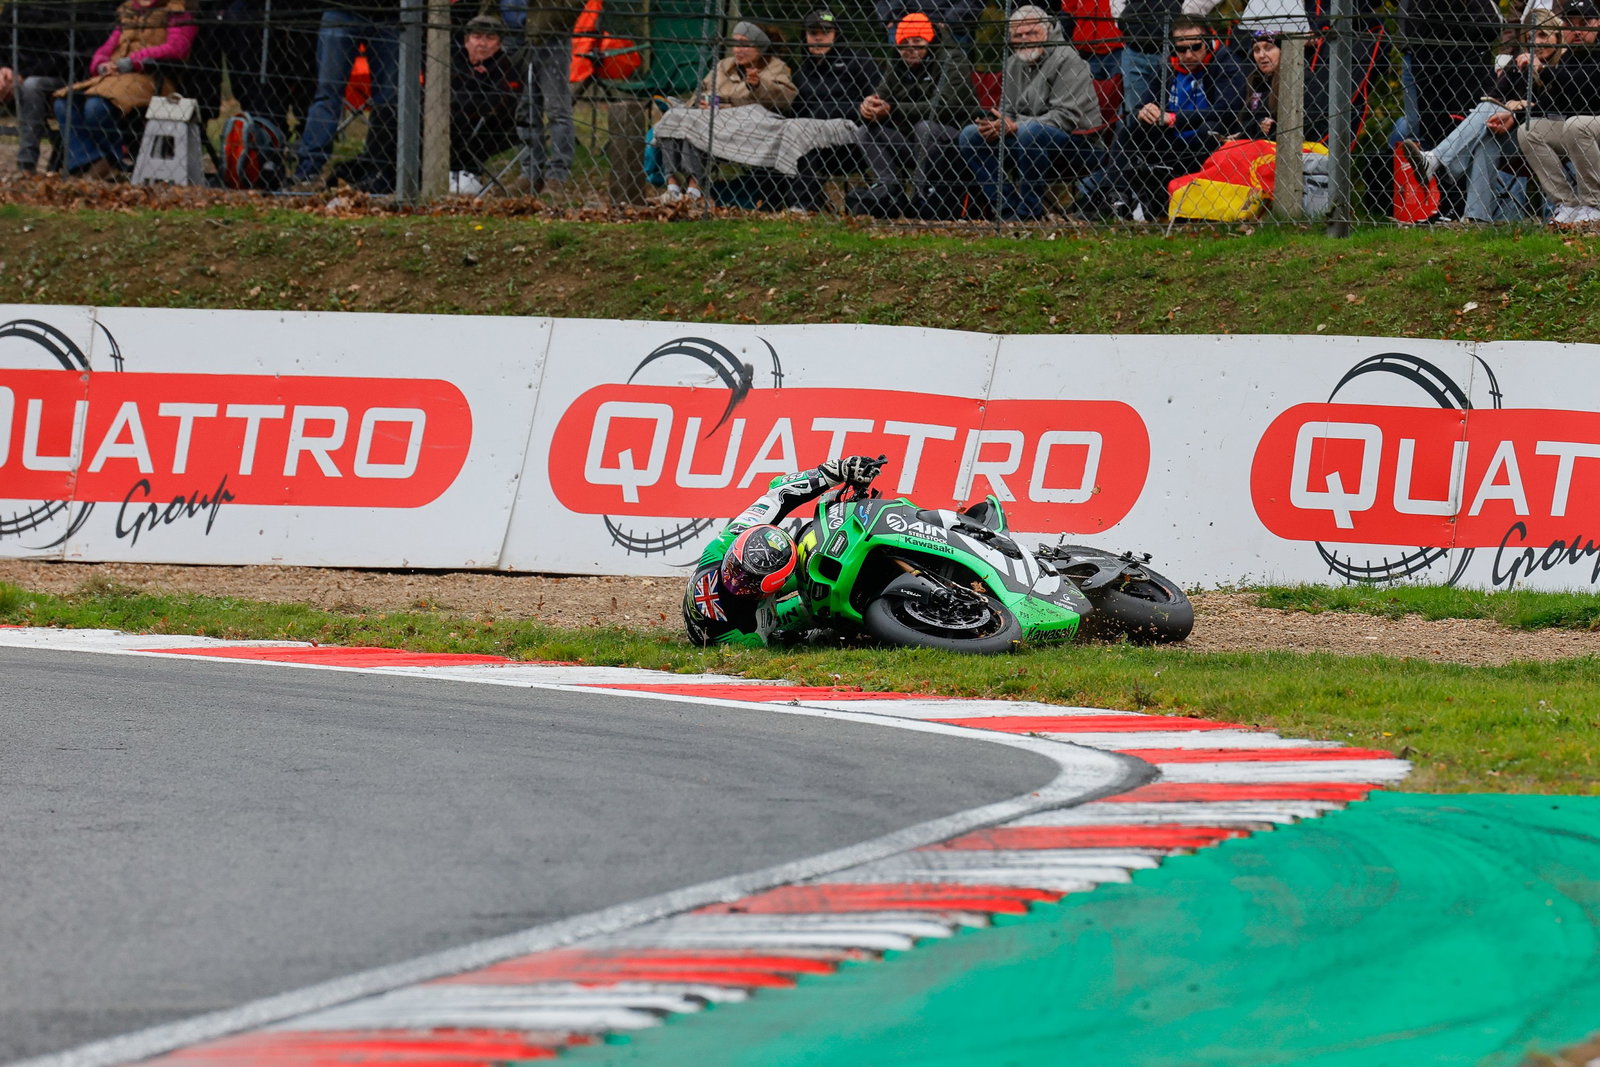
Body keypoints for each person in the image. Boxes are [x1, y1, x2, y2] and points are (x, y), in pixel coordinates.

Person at [684, 456, 883, 647]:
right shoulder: (747, 633)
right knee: (816, 612)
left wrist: (836, 471)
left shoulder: (727, 542)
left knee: (809, 567)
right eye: (737, 571)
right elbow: (770, 641)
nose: (737, 581)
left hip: (747, 597)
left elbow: (778, 493)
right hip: (733, 628)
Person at [1402, 9, 1565, 221]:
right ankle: (1476, 218)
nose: (1537, 41)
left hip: (1552, 136)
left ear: (1557, 37)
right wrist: (1512, 96)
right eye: (1532, 36)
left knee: (1490, 115)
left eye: (1544, 35)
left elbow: (1560, 104)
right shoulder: (1520, 63)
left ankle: (1437, 161)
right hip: (1517, 138)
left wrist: (1527, 103)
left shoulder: (1566, 64)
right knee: (1488, 134)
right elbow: (1493, 96)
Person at [957, 5, 1101, 220]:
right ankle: (1007, 210)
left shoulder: (1068, 59)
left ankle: (1028, 212)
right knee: (970, 135)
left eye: (1031, 32)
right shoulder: (1014, 62)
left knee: (1031, 132)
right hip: (1025, 139)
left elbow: (1065, 117)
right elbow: (1007, 110)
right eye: (1018, 35)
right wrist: (998, 123)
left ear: (1046, 32)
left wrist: (1015, 125)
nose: (1025, 39)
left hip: (1077, 144)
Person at [1105, 15, 1246, 218]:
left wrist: (1174, 118)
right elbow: (1140, 104)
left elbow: (1225, 111)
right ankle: (1117, 196)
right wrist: (1144, 112)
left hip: (1208, 140)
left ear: (1207, 43)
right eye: (1181, 49)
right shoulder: (1168, 64)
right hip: (1170, 140)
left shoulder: (1227, 63)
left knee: (1209, 129)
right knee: (1130, 129)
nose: (1188, 55)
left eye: (1195, 47)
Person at [651, 22, 798, 204]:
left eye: (745, 44)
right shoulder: (723, 66)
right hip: (710, 120)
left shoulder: (776, 68)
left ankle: (694, 193)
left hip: (747, 130)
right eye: (735, 44)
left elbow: (785, 98)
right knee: (678, 120)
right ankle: (673, 189)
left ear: (760, 47)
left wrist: (758, 85)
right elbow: (703, 92)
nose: (738, 50)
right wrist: (702, 102)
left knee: (696, 125)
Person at [52, 0, 198, 180]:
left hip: (150, 78)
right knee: (63, 103)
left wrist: (133, 61)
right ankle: (92, 162)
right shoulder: (129, 11)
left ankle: (113, 162)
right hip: (112, 77)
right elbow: (108, 46)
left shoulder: (178, 12)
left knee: (96, 106)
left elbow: (177, 49)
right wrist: (101, 64)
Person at [852, 11, 978, 217]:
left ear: (929, 41)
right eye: (904, 44)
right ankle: (889, 191)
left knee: (925, 127)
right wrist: (869, 107)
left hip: (950, 139)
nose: (910, 49)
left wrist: (894, 109)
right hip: (911, 141)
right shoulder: (897, 62)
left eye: (918, 42)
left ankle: (922, 195)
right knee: (865, 131)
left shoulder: (952, 58)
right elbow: (882, 94)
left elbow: (945, 107)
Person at [290, 0, 400, 189]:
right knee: (328, 94)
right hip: (340, 9)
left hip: (391, 13)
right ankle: (308, 172)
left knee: (390, 100)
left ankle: (382, 172)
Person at [1, 1, 116, 175]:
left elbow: (75, 59)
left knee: (32, 86)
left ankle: (26, 165)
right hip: (13, 76)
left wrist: (22, 73)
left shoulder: (82, 9)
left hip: (65, 79)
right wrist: (3, 69)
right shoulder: (16, 7)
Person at [788, 8, 879, 211]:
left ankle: (802, 205)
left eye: (825, 32)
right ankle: (788, 204)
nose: (818, 38)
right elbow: (794, 111)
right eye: (813, 33)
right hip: (808, 140)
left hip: (851, 142)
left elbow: (874, 101)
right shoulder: (801, 73)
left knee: (808, 137)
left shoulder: (858, 62)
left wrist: (850, 110)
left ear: (836, 34)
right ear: (805, 36)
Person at [1517, 4, 1600, 223]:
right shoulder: (1567, 58)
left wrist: (1544, 71)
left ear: (1597, 24)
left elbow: (1588, 86)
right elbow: (1551, 103)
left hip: (1588, 126)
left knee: (1576, 124)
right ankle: (1567, 205)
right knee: (1530, 131)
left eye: (1585, 24)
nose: (1578, 31)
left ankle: (1595, 205)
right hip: (1578, 132)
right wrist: (1518, 109)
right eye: (1571, 24)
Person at [498, 0, 582, 199]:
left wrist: (552, 20)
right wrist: (492, 19)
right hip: (511, 36)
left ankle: (557, 175)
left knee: (557, 110)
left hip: (551, 35)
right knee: (523, 108)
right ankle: (530, 173)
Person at [449, 13, 525, 194]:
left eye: (490, 38)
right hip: (449, 119)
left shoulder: (505, 65)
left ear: (499, 44)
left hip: (492, 127)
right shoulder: (454, 61)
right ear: (467, 41)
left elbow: (500, 102)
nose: (482, 43)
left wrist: (469, 91)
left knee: (461, 116)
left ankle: (468, 173)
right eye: (476, 37)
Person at [1240, 29, 1327, 142]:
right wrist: (1260, 126)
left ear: (1283, 50)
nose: (1261, 55)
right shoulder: (1255, 81)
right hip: (1261, 146)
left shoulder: (1303, 79)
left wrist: (1273, 129)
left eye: (1268, 48)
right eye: (1256, 50)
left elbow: (1310, 124)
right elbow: (1244, 122)